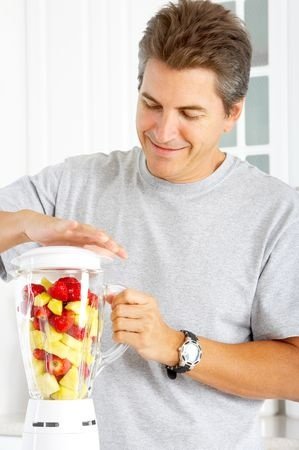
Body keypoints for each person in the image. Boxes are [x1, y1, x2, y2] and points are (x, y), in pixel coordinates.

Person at [1, 0, 299, 448]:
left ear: (233, 113)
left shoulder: (276, 213)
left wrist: (177, 345)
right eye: (151, 104)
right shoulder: (75, 183)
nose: (162, 131)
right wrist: (24, 224)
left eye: (190, 114)